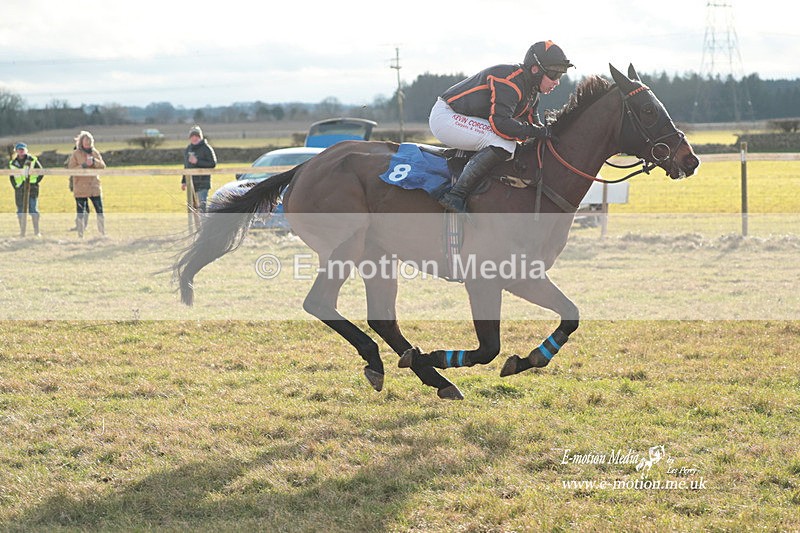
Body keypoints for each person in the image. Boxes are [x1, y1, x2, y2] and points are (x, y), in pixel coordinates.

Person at [430, 40, 574, 213]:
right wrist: (537, 131)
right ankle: (456, 195)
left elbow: (535, 128)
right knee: (504, 143)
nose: (557, 82)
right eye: (554, 75)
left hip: (462, 118)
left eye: (560, 76)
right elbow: (501, 125)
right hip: (446, 117)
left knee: (511, 144)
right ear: (535, 69)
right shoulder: (509, 81)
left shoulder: (531, 93)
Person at [67, 130, 107, 238]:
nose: (88, 144)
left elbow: (103, 166)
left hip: (94, 187)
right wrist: (84, 165)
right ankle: (80, 235)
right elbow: (71, 169)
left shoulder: (95, 152)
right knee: (81, 213)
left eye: (90, 142)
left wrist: (95, 162)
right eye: (86, 142)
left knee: (100, 211)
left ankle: (102, 234)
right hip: (80, 188)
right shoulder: (76, 154)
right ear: (81, 142)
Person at [9, 142, 44, 237]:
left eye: (23, 149)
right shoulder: (12, 163)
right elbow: (11, 177)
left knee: (33, 210)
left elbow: (41, 172)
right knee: (20, 211)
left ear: (26, 150)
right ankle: (22, 232)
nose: (21, 151)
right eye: (19, 149)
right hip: (19, 190)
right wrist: (16, 186)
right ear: (16, 151)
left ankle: (37, 232)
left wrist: (35, 182)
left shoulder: (32, 160)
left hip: (32, 189)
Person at [181, 125, 217, 213]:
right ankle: (195, 222)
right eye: (192, 136)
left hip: (203, 183)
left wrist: (197, 161)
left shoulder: (206, 148)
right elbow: (186, 166)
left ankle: (204, 222)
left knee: (202, 207)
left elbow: (212, 163)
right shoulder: (188, 149)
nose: (194, 138)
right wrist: (184, 181)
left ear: (200, 137)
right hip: (191, 183)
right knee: (192, 207)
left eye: (196, 136)